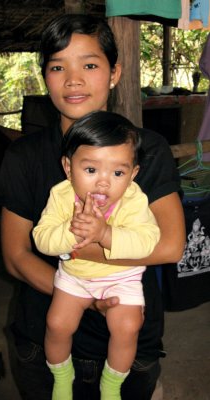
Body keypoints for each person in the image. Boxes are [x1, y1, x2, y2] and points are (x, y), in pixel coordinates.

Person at [0, 14, 185, 400]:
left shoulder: (147, 150)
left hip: (129, 337)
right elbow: (16, 255)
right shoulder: (23, 157)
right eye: (57, 66)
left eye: (89, 64)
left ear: (114, 73)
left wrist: (87, 254)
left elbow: (170, 246)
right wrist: (82, 294)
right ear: (45, 77)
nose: (73, 80)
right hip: (45, 336)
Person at [33, 111, 160, 400]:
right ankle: (62, 377)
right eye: (91, 170)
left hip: (121, 278)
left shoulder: (134, 199)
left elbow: (148, 241)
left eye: (118, 173)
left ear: (133, 173)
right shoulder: (61, 195)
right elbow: (41, 238)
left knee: (128, 326)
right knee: (57, 323)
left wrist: (105, 234)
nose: (104, 183)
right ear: (68, 167)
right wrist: (72, 232)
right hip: (75, 277)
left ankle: (111, 385)